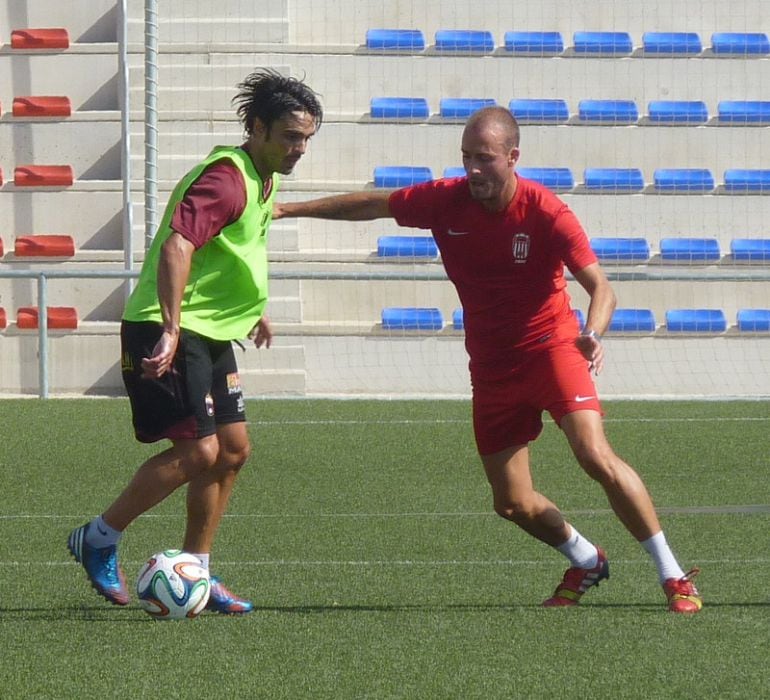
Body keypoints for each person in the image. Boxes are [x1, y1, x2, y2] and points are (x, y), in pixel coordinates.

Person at [273, 106, 702, 613]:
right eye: (466, 157)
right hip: (493, 367)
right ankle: (586, 559)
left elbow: (601, 287)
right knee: (511, 503)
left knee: (593, 454)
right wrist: (288, 210)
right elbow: (371, 205)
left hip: (553, 349)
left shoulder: (547, 211)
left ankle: (673, 576)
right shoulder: (445, 200)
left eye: (485, 158)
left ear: (512, 157)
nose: (473, 169)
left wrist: (591, 332)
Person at [68, 68, 323, 613]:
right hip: (167, 330)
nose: (300, 148)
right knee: (199, 450)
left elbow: (237, 244)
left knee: (232, 451)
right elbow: (177, 247)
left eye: (306, 138)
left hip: (210, 331)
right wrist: (170, 326)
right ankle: (99, 537)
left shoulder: (263, 175)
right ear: (256, 128)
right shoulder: (226, 179)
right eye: (291, 137)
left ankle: (196, 572)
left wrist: (254, 310)